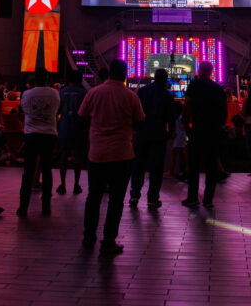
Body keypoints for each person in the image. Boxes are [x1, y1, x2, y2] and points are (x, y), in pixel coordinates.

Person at [78, 59, 145, 255]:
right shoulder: (131, 97)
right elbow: (140, 122)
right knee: (116, 200)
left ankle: (88, 237)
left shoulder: (94, 93)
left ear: (108, 73)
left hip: (97, 153)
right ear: (125, 75)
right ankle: (108, 241)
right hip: (122, 154)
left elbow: (81, 117)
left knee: (94, 197)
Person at [182, 61, 227, 208]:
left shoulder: (194, 85)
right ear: (211, 71)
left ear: (200, 70)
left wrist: (186, 126)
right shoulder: (218, 89)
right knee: (211, 166)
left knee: (193, 165)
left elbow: (187, 105)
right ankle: (208, 199)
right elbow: (224, 112)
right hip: (213, 131)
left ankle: (193, 197)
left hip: (198, 129)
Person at [130, 68, 175, 208]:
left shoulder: (143, 91)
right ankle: (153, 198)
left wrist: (135, 130)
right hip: (158, 134)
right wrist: (171, 132)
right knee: (156, 167)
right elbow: (171, 118)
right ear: (165, 79)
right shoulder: (167, 95)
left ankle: (134, 196)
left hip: (142, 133)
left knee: (138, 165)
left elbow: (135, 112)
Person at [17, 67, 60, 217]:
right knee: (47, 171)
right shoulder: (54, 93)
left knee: (28, 172)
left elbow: (24, 110)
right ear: (48, 79)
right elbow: (56, 110)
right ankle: (46, 207)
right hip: (49, 135)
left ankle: (23, 207)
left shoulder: (27, 94)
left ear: (35, 79)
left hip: (31, 135)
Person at [57, 70, 88, 195]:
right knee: (77, 156)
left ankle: (62, 184)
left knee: (63, 155)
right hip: (78, 128)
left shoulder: (61, 92)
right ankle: (76, 184)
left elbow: (58, 111)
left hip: (64, 127)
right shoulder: (83, 93)